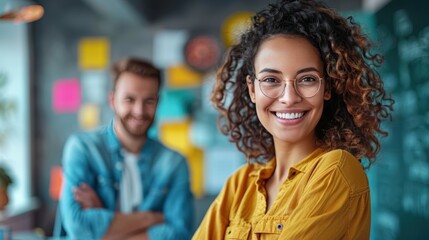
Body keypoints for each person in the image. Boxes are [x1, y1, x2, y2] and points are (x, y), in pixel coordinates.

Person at [193, 0, 394, 239]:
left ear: (327, 87)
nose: (289, 98)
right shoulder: (239, 185)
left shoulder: (336, 170)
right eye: (271, 80)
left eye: (307, 79)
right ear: (252, 90)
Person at [60, 58, 194, 240]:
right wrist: (152, 219)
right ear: (112, 100)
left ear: (157, 102)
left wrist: (104, 223)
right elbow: (79, 227)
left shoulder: (174, 163)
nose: (139, 111)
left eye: (148, 101)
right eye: (129, 99)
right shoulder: (83, 148)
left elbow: (179, 234)